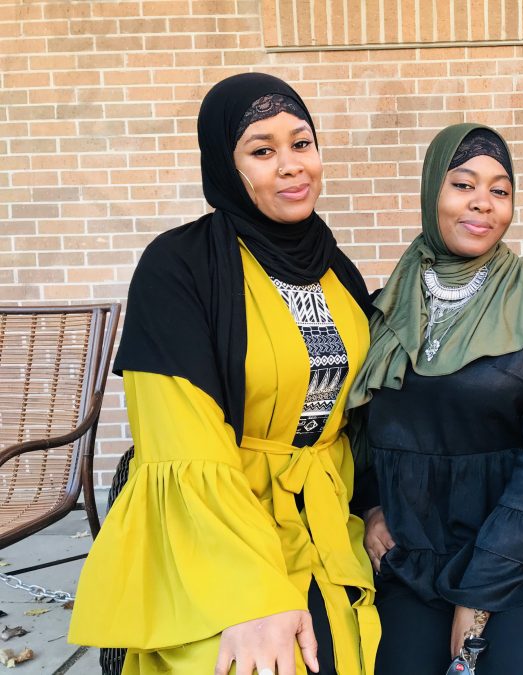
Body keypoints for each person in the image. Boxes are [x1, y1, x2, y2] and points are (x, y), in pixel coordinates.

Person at [70, 73, 380, 675]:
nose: (291, 166)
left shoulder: (336, 267)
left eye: (302, 143)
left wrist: (373, 505)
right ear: (225, 165)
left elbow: (357, 415)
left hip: (324, 516)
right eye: (262, 151)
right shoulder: (178, 267)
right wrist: (247, 590)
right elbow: (181, 445)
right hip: (215, 529)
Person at [346, 123, 523, 675]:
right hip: (415, 554)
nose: (483, 204)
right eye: (463, 184)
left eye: (500, 191)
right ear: (432, 194)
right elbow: (360, 432)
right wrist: (372, 505)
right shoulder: (381, 309)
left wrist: (481, 589)